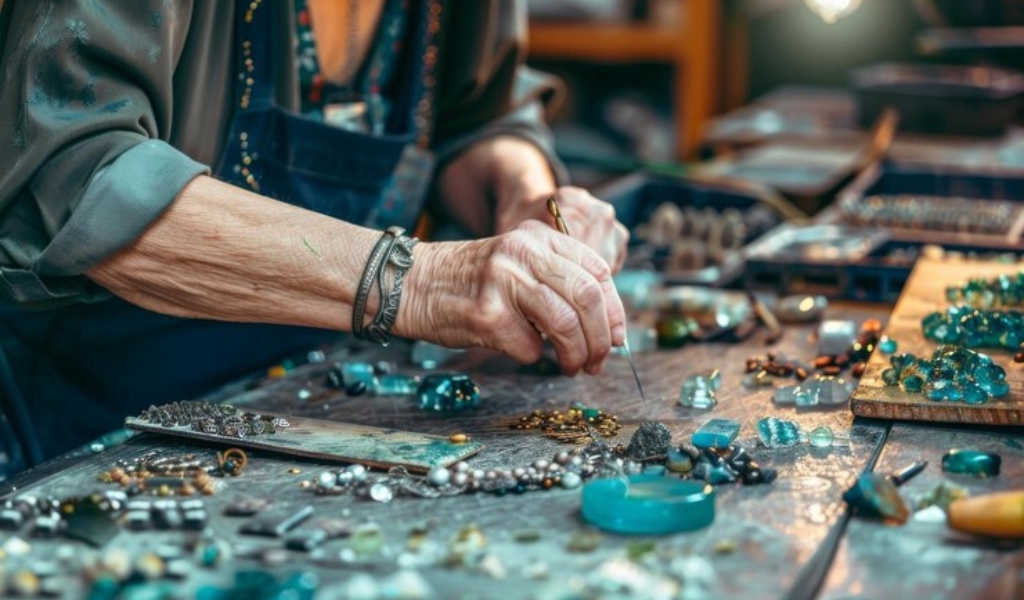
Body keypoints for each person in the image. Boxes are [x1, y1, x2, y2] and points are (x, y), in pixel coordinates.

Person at [0, 0, 630, 476]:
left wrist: (524, 197)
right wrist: (427, 281)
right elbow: (73, 173)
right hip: (73, 430)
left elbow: (474, 116)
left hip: (314, 409)